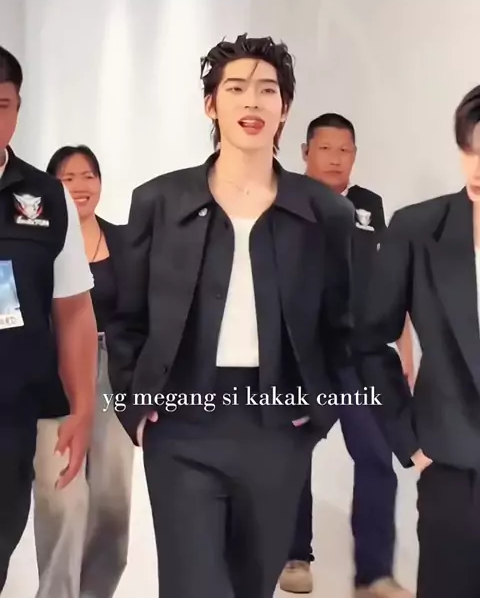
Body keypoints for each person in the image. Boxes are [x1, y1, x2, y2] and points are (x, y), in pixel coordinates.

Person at [106, 34, 355, 598]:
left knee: (251, 586)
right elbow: (127, 318)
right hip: (180, 425)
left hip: (278, 428)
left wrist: (320, 413)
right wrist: (136, 409)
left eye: (267, 90)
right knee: (194, 586)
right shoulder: (159, 202)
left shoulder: (325, 213)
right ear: (210, 105)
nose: (252, 101)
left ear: (284, 109)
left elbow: (342, 327)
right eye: (236, 88)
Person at [279, 113, 414, 597]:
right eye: (326, 148)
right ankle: (295, 554)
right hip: (302, 357)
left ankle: (373, 574)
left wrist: (404, 346)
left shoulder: (368, 205)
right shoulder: (286, 200)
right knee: (294, 454)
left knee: (376, 455)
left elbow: (390, 281)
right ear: (305, 152)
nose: (336, 159)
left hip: (359, 357)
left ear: (355, 155)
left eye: (345, 150)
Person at [355, 85, 480, 598]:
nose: (477, 165)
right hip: (451, 466)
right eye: (470, 148)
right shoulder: (418, 228)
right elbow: (369, 341)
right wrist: (410, 440)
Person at [0, 46, 97, 592]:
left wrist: (83, 407)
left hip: (12, 414)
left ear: (17, 108)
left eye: (1, 105)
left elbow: (74, 309)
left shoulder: (46, 198)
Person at [32, 145, 134, 598]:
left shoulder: (125, 241)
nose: (80, 186)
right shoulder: (38, 240)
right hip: (56, 370)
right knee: (63, 495)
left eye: (88, 175)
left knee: (113, 497)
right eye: (67, 178)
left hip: (115, 375)